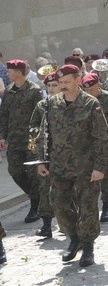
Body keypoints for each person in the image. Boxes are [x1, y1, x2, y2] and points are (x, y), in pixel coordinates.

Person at [37, 64, 108, 267]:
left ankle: (88, 247)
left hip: (85, 168)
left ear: (78, 80)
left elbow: (101, 138)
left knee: (87, 208)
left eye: (66, 82)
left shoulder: (90, 104)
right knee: (59, 204)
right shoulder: (52, 104)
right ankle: (74, 238)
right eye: (60, 82)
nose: (62, 86)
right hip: (59, 166)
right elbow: (45, 134)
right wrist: (42, 160)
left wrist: (100, 167)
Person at [0, 59, 43, 224]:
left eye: (9, 71)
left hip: (31, 139)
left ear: (18, 72)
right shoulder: (9, 91)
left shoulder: (34, 90)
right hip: (15, 140)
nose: (7, 74)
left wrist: (39, 137)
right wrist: (2, 136)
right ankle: (36, 197)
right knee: (15, 171)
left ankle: (35, 205)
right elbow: (4, 116)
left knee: (33, 173)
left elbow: (41, 114)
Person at [81, 72, 108, 223]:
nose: (89, 92)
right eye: (87, 90)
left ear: (98, 85)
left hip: (107, 143)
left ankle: (106, 206)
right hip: (89, 145)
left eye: (92, 89)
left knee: (106, 176)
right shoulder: (83, 101)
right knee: (95, 177)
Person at [28, 70, 60, 238]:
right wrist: (36, 134)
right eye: (49, 86)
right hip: (45, 153)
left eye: (55, 85)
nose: (52, 89)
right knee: (44, 188)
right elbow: (33, 125)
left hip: (65, 155)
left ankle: (68, 222)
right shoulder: (42, 105)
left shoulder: (66, 103)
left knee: (65, 190)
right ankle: (47, 225)